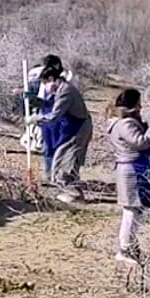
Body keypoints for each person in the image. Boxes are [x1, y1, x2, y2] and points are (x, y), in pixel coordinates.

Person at [107, 88, 150, 265]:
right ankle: (125, 249)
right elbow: (141, 142)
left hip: (131, 169)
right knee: (132, 210)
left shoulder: (121, 122)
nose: (141, 107)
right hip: (133, 170)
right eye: (138, 103)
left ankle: (129, 246)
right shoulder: (126, 124)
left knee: (133, 210)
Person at [28, 62, 92, 203]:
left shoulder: (65, 91)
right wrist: (37, 102)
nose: (44, 86)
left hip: (79, 129)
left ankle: (74, 194)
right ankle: (74, 192)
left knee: (66, 161)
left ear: (51, 79)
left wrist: (36, 119)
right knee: (63, 159)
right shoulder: (60, 89)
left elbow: (54, 116)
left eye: (45, 83)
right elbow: (52, 106)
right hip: (72, 128)